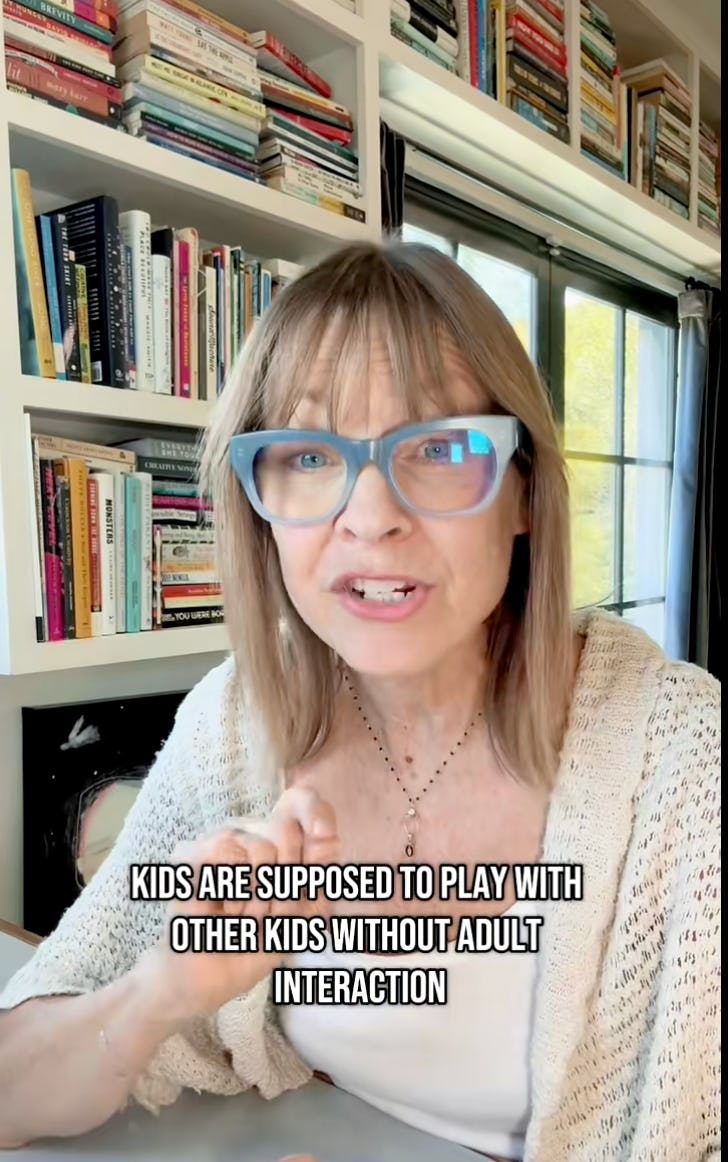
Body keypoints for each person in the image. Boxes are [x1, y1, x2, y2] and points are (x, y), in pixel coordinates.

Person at [0, 239, 720, 1161]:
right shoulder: (233, 728)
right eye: (306, 454)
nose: (370, 514)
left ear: (524, 493)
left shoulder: (684, 760)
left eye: (440, 446)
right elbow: (15, 1078)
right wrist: (159, 993)